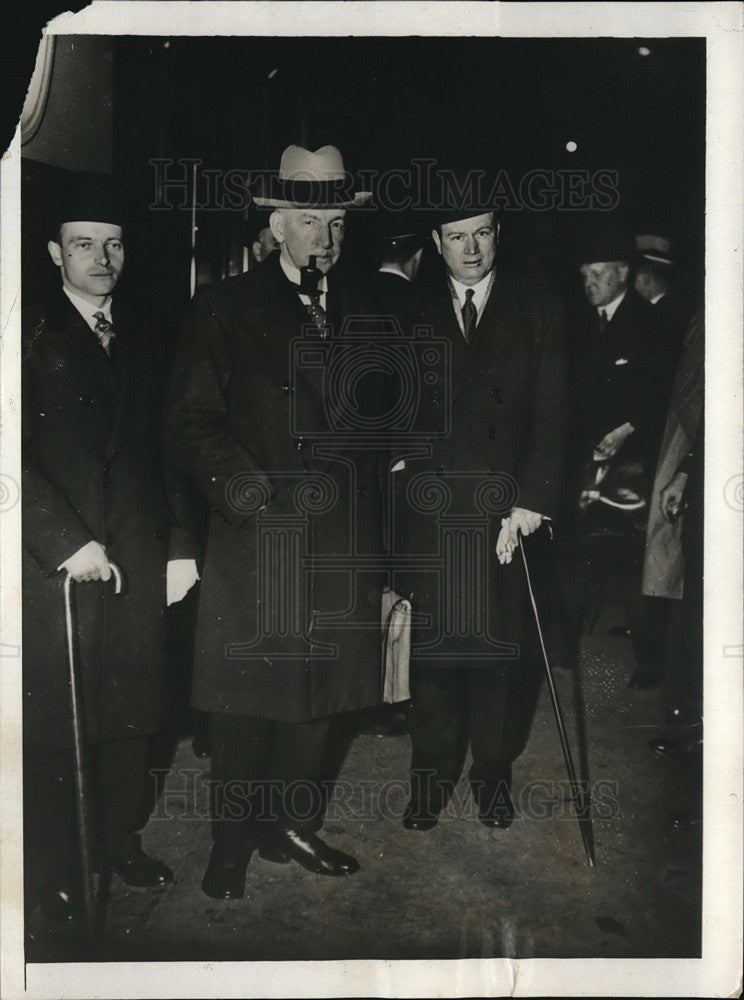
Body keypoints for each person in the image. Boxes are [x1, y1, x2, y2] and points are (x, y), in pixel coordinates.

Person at [164, 144, 385, 899]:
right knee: (243, 706)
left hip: (339, 542)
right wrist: (254, 498)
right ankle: (230, 843)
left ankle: (292, 824)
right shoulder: (223, 307)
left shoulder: (364, 309)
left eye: (336, 224)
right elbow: (191, 424)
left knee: (319, 699)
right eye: (310, 222)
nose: (325, 240)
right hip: (256, 540)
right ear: (278, 224)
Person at [22, 171, 197, 923]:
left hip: (138, 559)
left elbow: (172, 449)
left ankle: (119, 839)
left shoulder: (149, 336)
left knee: (133, 714)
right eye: (85, 245)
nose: (102, 258)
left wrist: (184, 547)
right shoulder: (26, 332)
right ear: (54, 252)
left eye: (114, 245)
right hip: (56, 569)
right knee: (60, 721)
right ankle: (57, 862)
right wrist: (65, 542)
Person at [389, 199, 568, 831]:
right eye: (457, 236)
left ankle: (492, 776)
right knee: (434, 655)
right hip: (431, 508)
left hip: (504, 513)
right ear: (436, 241)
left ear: (498, 235)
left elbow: (553, 411)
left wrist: (531, 502)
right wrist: (405, 467)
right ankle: (429, 780)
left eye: (482, 234)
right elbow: (387, 400)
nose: (471, 249)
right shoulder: (406, 307)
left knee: (496, 653)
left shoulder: (537, 304)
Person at [555, 227, 658, 684]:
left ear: (622, 273)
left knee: (633, 559)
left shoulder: (647, 323)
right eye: (584, 275)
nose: (589, 283)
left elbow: (662, 393)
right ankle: (563, 648)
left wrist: (624, 431)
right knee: (575, 549)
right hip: (585, 458)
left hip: (633, 463)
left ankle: (652, 660)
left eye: (597, 274)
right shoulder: (582, 322)